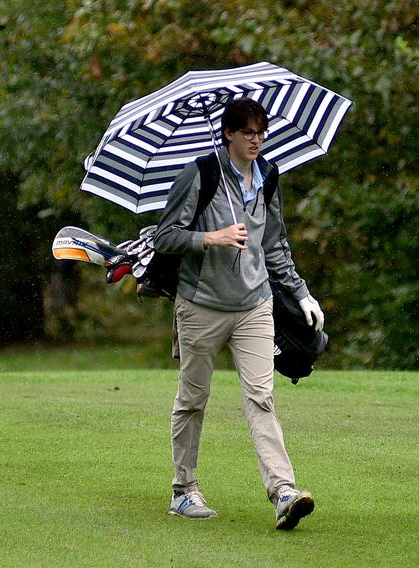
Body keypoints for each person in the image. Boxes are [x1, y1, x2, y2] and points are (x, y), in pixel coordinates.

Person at [153, 97, 324, 530]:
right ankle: (183, 490)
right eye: (248, 132)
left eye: (261, 132)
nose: (256, 140)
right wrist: (211, 237)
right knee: (192, 399)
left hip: (254, 305)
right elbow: (165, 237)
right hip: (200, 306)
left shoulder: (267, 175)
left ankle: (283, 491)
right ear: (228, 133)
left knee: (261, 397)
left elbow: (275, 244)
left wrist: (301, 293)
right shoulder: (200, 174)